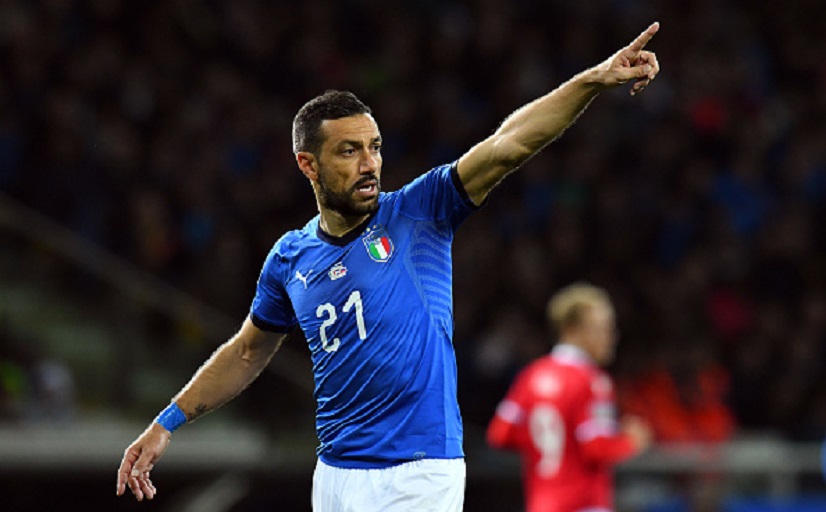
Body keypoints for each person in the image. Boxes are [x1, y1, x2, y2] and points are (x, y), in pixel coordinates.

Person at [116, 22, 661, 511]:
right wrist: (168, 421)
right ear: (308, 164)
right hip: (334, 477)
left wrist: (591, 80)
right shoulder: (289, 257)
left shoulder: (419, 212)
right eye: (349, 151)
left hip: (419, 473)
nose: (369, 164)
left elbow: (507, 145)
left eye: (374, 147)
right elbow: (247, 350)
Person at [486, 283, 653, 512]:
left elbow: (500, 434)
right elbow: (596, 447)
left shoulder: (531, 376)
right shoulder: (592, 381)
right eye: (602, 328)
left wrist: (548, 444)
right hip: (583, 504)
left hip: (541, 504)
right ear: (572, 330)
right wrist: (631, 441)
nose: (611, 337)